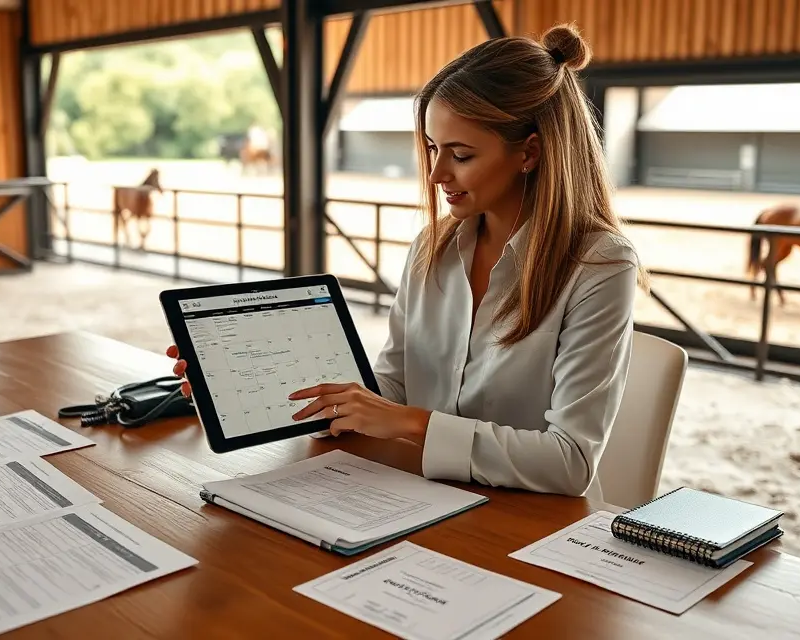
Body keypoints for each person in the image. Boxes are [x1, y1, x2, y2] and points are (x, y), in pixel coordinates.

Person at [166, 24, 647, 500]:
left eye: (460, 154)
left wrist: (411, 423)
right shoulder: (431, 247)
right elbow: (394, 383)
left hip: (526, 519)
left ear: (531, 152)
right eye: (433, 148)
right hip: (418, 496)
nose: (437, 173)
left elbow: (570, 462)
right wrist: (260, 384)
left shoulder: (600, 265)